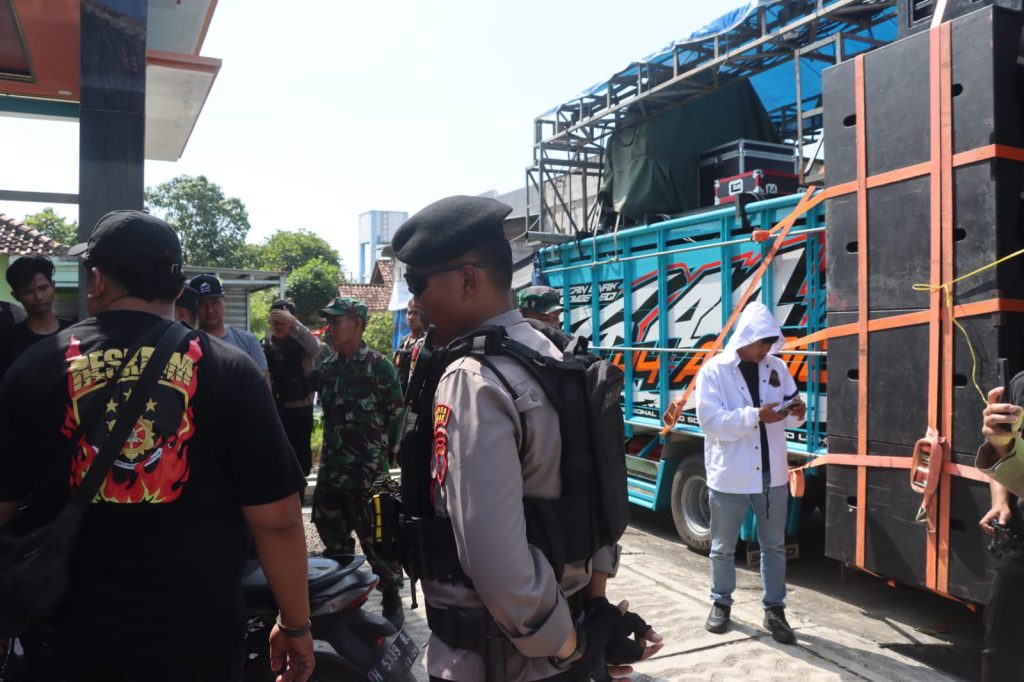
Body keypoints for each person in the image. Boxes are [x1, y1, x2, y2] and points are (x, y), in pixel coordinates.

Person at [0, 210, 314, 681]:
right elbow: (279, 520)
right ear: (178, 286)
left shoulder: (35, 367)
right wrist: (295, 623)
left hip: (68, 643)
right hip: (196, 644)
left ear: (97, 279)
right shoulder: (231, 370)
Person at [392, 195, 662, 682]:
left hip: (501, 659)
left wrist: (568, 646)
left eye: (418, 285)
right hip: (566, 632)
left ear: (467, 279)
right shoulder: (555, 351)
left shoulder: (473, 377)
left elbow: (494, 558)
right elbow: (597, 493)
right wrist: (590, 615)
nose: (417, 303)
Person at [694, 301, 806, 644]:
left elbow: (790, 408)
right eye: (762, 343)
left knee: (774, 546)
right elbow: (710, 422)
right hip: (731, 475)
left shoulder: (776, 367)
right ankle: (721, 603)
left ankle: (775, 610)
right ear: (746, 337)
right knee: (723, 546)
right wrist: (755, 415)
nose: (767, 350)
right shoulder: (715, 371)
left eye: (771, 343)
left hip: (772, 476)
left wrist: (797, 412)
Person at [313, 296, 407, 628]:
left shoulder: (380, 366)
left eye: (337, 321)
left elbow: (396, 413)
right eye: (329, 321)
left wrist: (387, 453)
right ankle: (344, 599)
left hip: (371, 472)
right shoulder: (327, 368)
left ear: (357, 323)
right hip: (333, 470)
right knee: (332, 535)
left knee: (382, 538)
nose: (330, 328)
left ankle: (392, 598)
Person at [976, 380, 1024, 681]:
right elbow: (1010, 449)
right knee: (1001, 650)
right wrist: (1001, 499)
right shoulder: (1021, 384)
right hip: (1019, 543)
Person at [262, 298, 322, 477]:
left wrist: (294, 323)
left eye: (284, 321)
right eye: (276, 320)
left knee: (300, 463)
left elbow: (316, 348)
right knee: (278, 461)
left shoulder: (303, 344)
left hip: (301, 411)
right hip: (276, 411)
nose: (279, 325)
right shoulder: (266, 346)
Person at [0, 255, 71, 380]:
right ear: (16, 296)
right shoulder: (7, 341)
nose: (38, 296)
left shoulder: (74, 333)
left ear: (53, 286)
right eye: (28, 291)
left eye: (43, 288)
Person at [189, 273, 269, 380]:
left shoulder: (248, 341)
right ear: (193, 307)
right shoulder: (188, 344)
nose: (209, 310)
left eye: (215, 302)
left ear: (224, 301)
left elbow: (264, 384)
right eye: (202, 304)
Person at [394, 298, 427, 393]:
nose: (411, 317)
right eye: (409, 313)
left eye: (416, 313)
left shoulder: (425, 341)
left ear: (423, 316)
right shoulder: (404, 340)